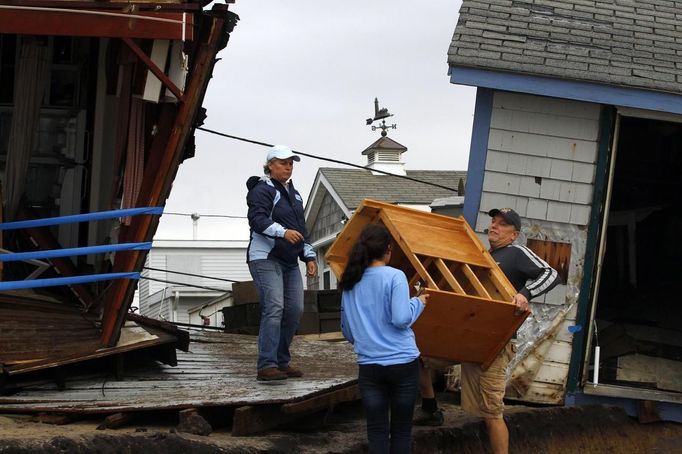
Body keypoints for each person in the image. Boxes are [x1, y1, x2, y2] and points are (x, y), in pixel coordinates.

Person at [460, 207, 560, 454]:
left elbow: (552, 274)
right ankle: (430, 409)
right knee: (422, 359)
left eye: (503, 224)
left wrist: (525, 294)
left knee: (493, 411)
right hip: (471, 339)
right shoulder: (483, 254)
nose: (494, 226)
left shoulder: (516, 252)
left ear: (514, 235)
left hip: (497, 342)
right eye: (493, 221)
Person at [339, 223, 429, 454]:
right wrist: (418, 303)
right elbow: (401, 318)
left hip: (369, 367)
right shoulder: (395, 276)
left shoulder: (350, 281)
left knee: (377, 431)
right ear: (388, 249)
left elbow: (348, 332)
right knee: (401, 430)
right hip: (403, 364)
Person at [246, 144, 317, 381]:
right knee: (274, 307)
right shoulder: (261, 189)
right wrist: (283, 232)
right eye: (283, 162)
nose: (288, 167)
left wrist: (309, 256)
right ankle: (267, 365)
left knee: (295, 310)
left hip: (288, 261)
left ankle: (282, 362)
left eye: (290, 163)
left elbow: (302, 230)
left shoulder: (295, 194)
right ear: (269, 165)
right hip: (265, 257)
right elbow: (257, 220)